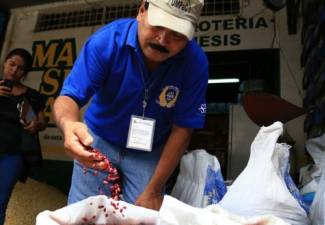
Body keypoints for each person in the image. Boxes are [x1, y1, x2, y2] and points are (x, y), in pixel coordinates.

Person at [52, 0, 208, 210]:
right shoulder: (106, 42)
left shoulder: (195, 63)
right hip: (99, 139)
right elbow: (69, 97)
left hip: (150, 151)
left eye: (177, 34)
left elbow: (182, 129)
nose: (162, 39)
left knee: (143, 214)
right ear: (142, 11)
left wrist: (154, 189)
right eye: (158, 25)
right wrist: (69, 125)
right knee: (85, 211)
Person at [0, 48, 47, 224]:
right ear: (5, 62)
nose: (14, 70)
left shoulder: (33, 96)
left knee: (1, 200)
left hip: (13, 154)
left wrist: (36, 124)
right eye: (12, 64)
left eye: (20, 68)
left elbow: (42, 121)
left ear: (25, 72)